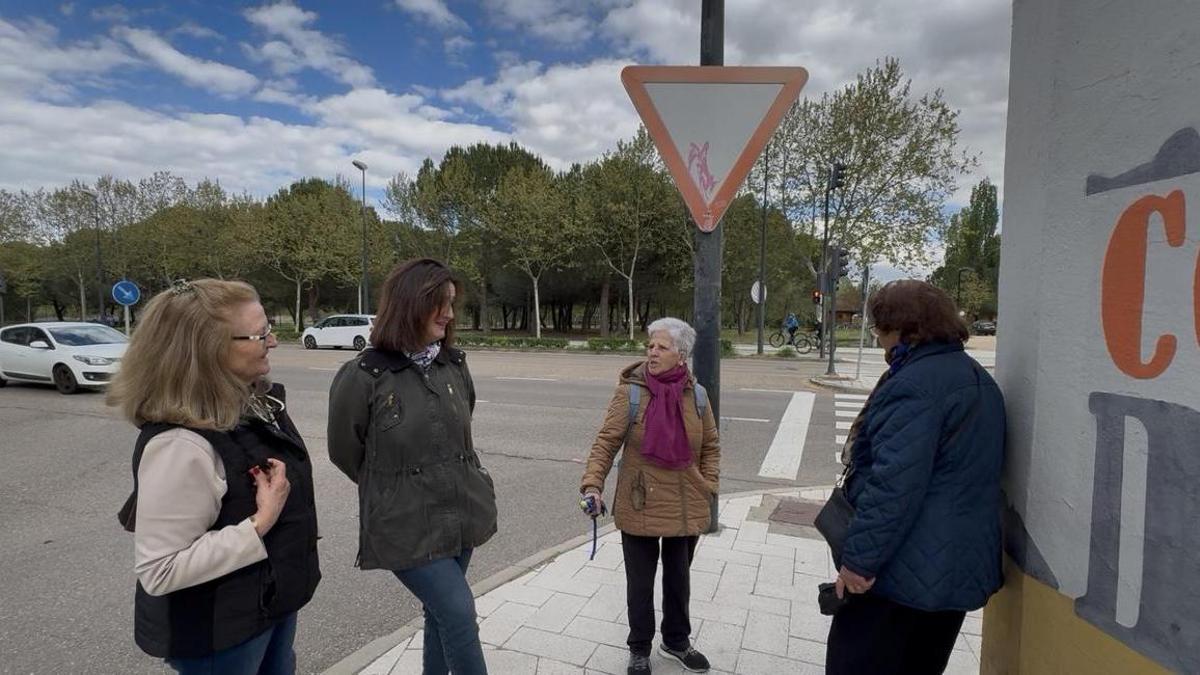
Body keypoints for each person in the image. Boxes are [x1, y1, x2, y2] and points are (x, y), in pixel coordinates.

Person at [108, 279, 320, 675]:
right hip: (219, 635)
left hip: (268, 605)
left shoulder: (251, 404)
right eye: (261, 333)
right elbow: (160, 570)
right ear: (207, 351)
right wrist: (260, 523)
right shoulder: (180, 445)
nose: (272, 341)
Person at [825, 280, 1006, 674]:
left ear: (905, 329)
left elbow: (893, 485)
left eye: (880, 329)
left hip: (901, 572)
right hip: (955, 570)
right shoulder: (977, 379)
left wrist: (858, 563)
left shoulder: (914, 385)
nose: (878, 341)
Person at [328, 258, 497, 675]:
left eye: (452, 304)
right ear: (409, 305)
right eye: (441, 304)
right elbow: (345, 453)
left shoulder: (453, 365)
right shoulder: (363, 375)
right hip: (405, 525)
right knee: (458, 615)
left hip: (461, 514)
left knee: (439, 615)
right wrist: (397, 488)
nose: (450, 315)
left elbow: (462, 429)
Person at [581, 317, 720, 675]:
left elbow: (711, 446)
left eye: (661, 347)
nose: (652, 352)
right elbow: (606, 442)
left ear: (682, 354)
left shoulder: (698, 395)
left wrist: (710, 484)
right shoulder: (630, 391)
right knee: (639, 584)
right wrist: (592, 484)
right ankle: (639, 648)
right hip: (640, 499)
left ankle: (676, 642)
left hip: (686, 501)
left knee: (679, 580)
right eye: (649, 346)